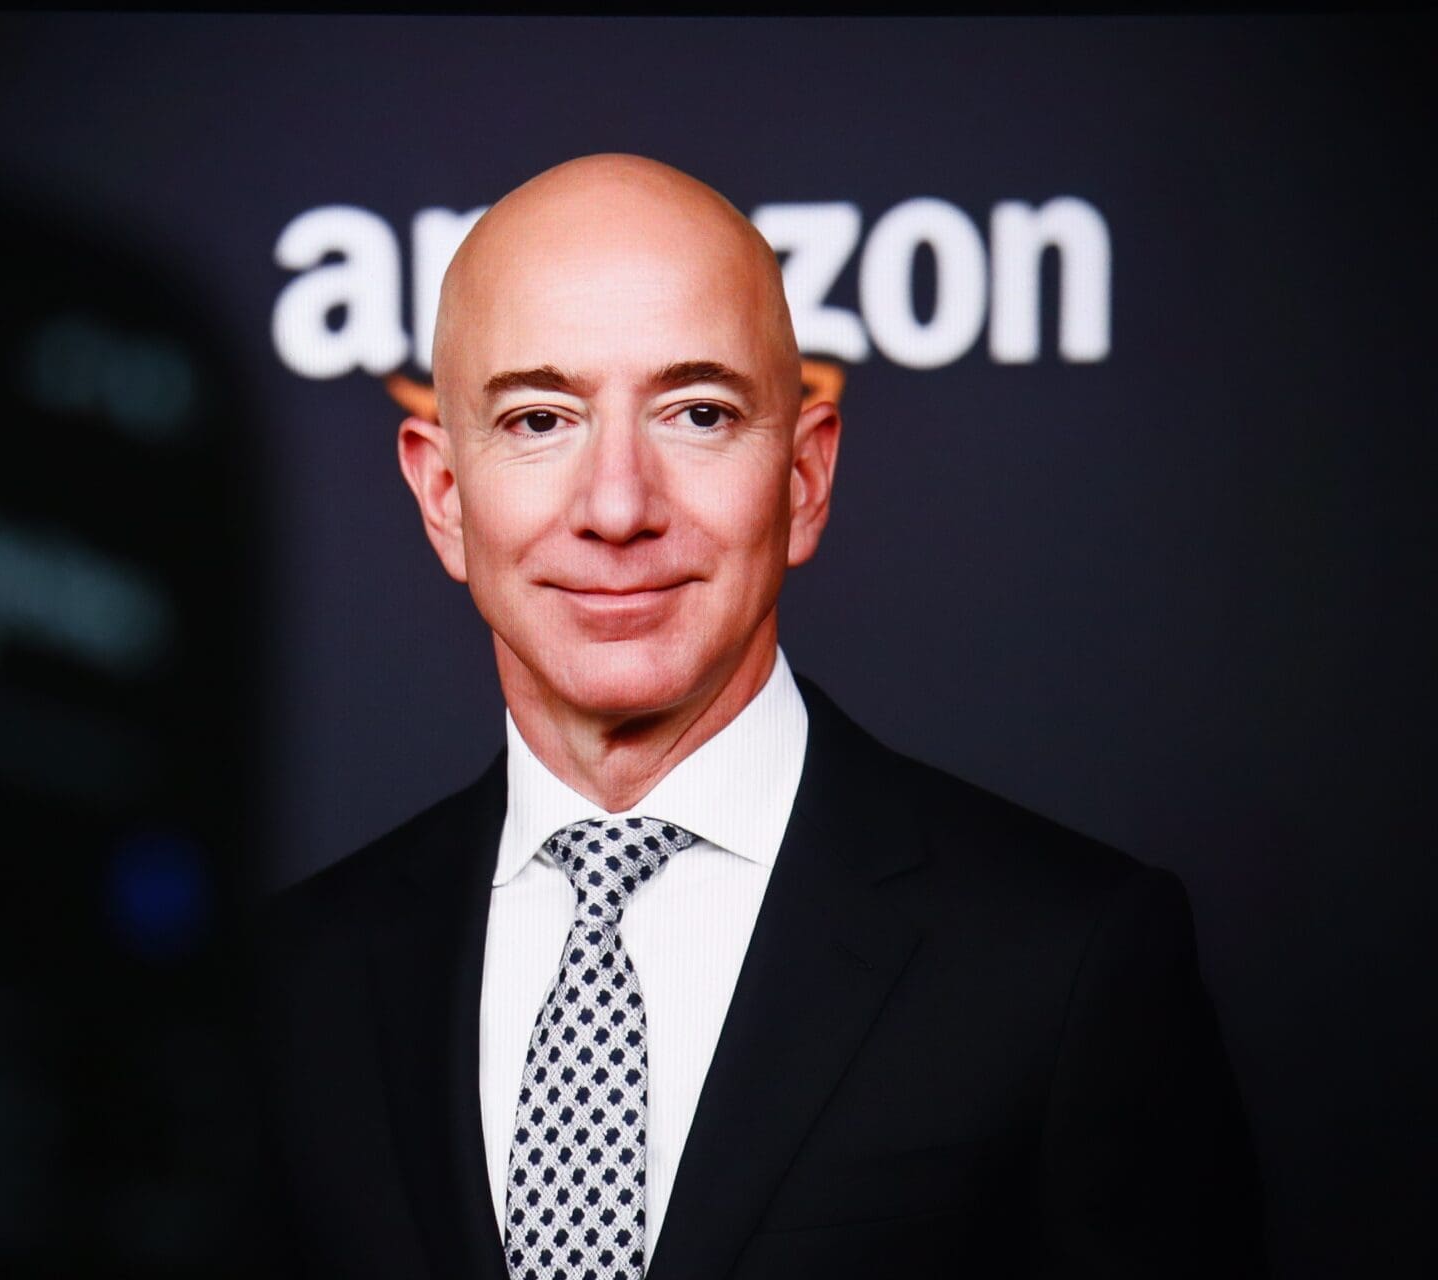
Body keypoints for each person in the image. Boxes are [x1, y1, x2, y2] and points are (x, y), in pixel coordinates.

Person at [252, 154, 1264, 1279]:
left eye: (697, 412)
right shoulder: (287, 987)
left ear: (803, 479)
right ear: (444, 494)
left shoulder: (1067, 956)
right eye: (541, 418)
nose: (619, 505)